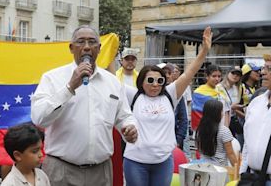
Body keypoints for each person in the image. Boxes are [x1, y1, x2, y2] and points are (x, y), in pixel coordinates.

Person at [31, 25, 137, 186]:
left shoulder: (113, 82)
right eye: (81, 42)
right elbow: (39, 119)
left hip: (101, 172)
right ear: (71, 48)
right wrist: (69, 88)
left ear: (99, 48)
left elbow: (124, 116)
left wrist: (129, 128)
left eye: (92, 42)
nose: (87, 47)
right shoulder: (52, 78)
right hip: (62, 170)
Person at [123, 27, 212, 186]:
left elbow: (190, 72)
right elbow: (111, 81)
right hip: (135, 161)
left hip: (163, 162)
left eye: (160, 80)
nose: (155, 84)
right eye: (150, 80)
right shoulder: (134, 95)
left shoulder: (170, 95)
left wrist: (204, 51)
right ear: (141, 82)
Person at [240, 54, 271, 183]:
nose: (262, 72)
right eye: (264, 68)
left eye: (269, 69)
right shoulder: (256, 103)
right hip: (251, 178)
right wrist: (242, 171)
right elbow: (247, 141)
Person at [196, 99, 237, 167]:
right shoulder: (224, 131)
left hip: (203, 166)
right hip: (219, 169)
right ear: (216, 113)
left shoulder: (200, 129)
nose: (223, 114)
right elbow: (230, 154)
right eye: (221, 111)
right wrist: (238, 171)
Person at [191, 65, 229, 132]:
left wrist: (225, 129)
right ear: (207, 76)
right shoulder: (199, 92)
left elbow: (226, 111)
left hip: (222, 129)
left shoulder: (221, 90)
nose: (217, 79)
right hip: (206, 131)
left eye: (219, 76)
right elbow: (197, 114)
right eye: (214, 76)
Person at [216, 67, 246, 148]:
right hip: (221, 121)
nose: (235, 76)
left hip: (232, 120)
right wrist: (231, 107)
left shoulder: (238, 88)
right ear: (228, 73)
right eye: (233, 73)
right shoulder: (218, 87)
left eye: (238, 75)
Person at [159, 63, 188, 149]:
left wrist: (178, 140)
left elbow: (183, 119)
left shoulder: (177, 94)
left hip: (173, 141)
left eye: (169, 73)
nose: (167, 76)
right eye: (164, 73)